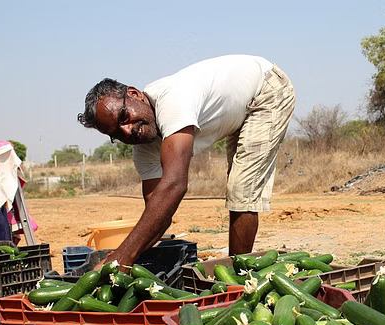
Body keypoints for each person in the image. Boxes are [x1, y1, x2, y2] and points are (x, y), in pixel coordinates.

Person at [78, 55, 295, 266]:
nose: (127, 131)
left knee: (242, 188)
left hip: (265, 90)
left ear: (135, 94)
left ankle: (239, 278)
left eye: (124, 117)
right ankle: (237, 273)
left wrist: (122, 257)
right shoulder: (143, 149)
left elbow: (175, 184)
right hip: (237, 109)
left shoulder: (172, 100)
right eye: (116, 134)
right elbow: (158, 213)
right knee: (238, 186)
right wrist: (126, 257)